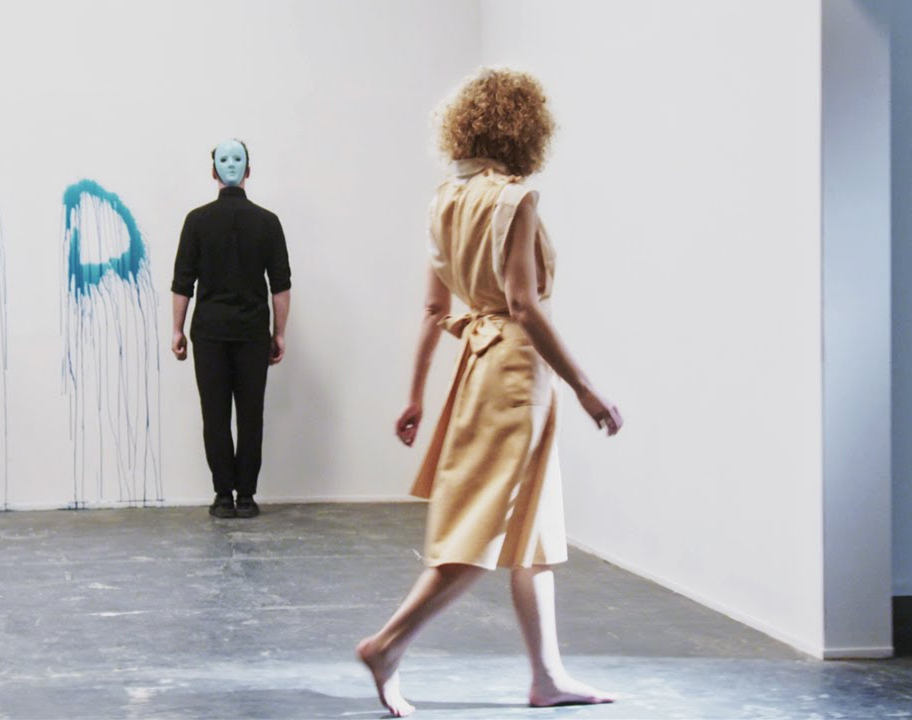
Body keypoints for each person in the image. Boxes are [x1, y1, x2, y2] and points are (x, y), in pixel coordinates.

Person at [356, 69, 625, 717]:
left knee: (533, 528)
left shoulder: (444, 200)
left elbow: (433, 308)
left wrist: (416, 395)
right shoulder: (515, 199)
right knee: (484, 527)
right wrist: (586, 389)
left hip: (479, 364)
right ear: (525, 130)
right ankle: (386, 645)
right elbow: (524, 307)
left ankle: (547, 677)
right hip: (514, 369)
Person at [170, 139, 292, 519]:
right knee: (251, 415)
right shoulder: (268, 222)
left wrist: (177, 329)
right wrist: (279, 333)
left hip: (209, 333)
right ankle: (247, 498)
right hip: (253, 332)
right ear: (249, 173)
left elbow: (182, 282)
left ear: (213, 173)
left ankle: (223, 497)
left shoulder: (196, 221)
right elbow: (281, 285)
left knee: (216, 415)